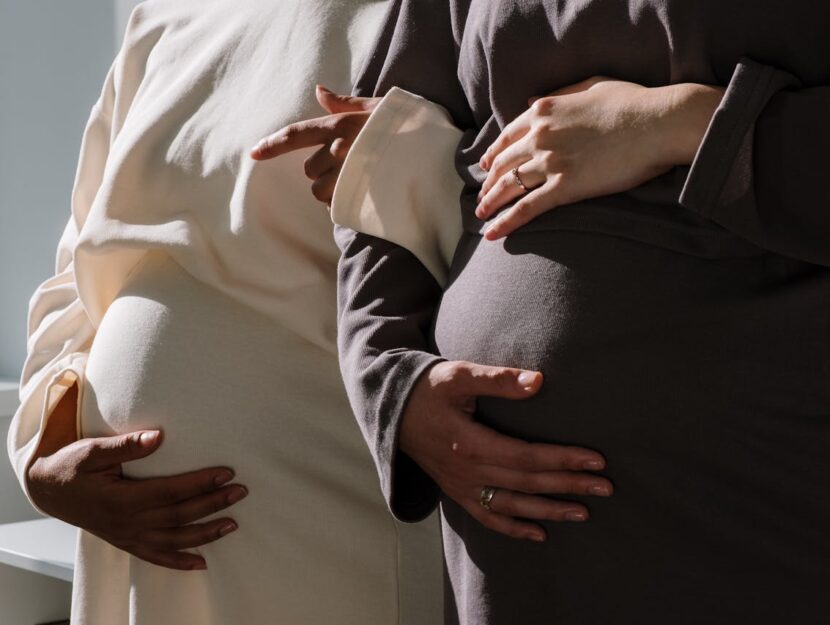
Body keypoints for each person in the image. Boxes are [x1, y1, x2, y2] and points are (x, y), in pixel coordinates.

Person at [255, 0, 830, 623]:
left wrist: (687, 125)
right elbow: (388, 154)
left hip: (766, 485)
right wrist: (389, 381)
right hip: (516, 542)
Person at [7, 1, 448, 623]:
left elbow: (523, 214)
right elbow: (75, 267)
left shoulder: (445, 14)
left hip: (328, 511)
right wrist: (43, 459)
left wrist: (414, 158)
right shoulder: (164, 16)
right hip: (128, 546)